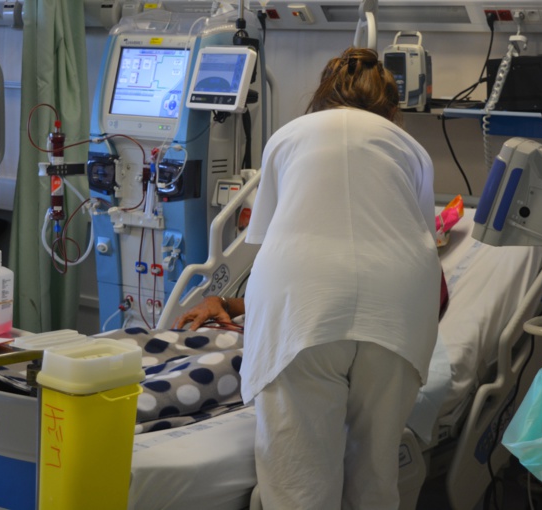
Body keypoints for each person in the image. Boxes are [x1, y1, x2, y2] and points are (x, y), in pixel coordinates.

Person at [173, 46, 441, 510]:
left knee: (298, 482)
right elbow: (421, 241)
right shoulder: (411, 149)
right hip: (397, 312)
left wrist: (236, 302)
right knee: (376, 475)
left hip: (303, 308)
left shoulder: (288, 137)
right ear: (391, 106)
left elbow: (272, 242)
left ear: (323, 94)